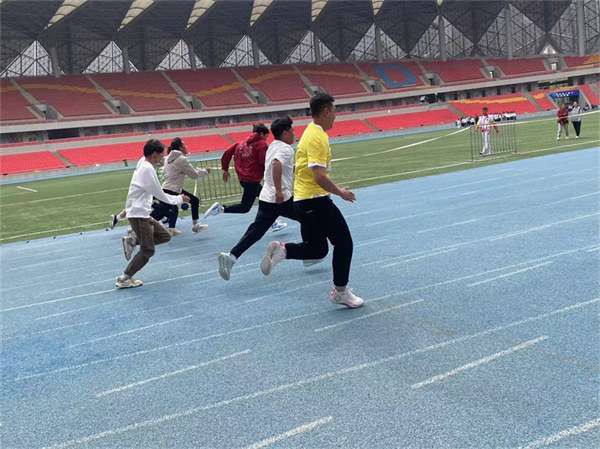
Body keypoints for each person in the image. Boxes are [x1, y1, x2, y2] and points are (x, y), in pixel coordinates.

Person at [259, 93, 363, 309]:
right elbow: (318, 176)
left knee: (318, 249)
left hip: (303, 201)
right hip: (315, 201)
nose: (335, 116)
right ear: (326, 111)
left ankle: (284, 250)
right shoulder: (317, 137)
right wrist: (340, 192)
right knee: (344, 242)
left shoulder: (309, 131)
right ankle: (340, 292)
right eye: (334, 111)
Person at [218, 117, 305, 280]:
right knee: (308, 218)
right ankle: (309, 254)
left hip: (266, 197)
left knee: (255, 232)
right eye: (292, 130)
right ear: (285, 133)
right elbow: (276, 165)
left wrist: (297, 168)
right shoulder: (286, 149)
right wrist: (279, 191)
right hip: (281, 198)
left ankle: (231, 257)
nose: (295, 133)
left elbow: (276, 166)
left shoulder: (271, 146)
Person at [116, 139, 189, 289]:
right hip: (138, 214)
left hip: (141, 213)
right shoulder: (148, 170)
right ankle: (124, 278)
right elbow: (160, 194)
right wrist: (179, 199)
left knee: (165, 236)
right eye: (161, 155)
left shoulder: (143, 162)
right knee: (148, 250)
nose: (162, 158)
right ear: (154, 154)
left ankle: (133, 241)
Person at [203, 124, 287, 233]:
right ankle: (221, 209)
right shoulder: (261, 144)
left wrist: (225, 169)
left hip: (243, 179)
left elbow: (227, 154)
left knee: (264, 198)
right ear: (262, 134)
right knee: (245, 207)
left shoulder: (240, 144)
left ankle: (273, 223)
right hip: (252, 180)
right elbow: (264, 162)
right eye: (266, 136)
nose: (266, 139)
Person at [150, 137, 210, 235]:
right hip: (172, 190)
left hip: (172, 189)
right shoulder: (182, 159)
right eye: (184, 145)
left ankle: (195, 226)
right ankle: (139, 228)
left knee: (194, 200)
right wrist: (205, 171)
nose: (186, 146)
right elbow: (193, 174)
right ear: (180, 147)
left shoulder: (168, 158)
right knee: (160, 213)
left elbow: (157, 163)